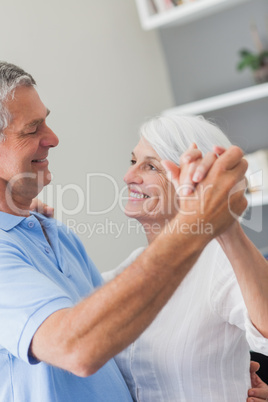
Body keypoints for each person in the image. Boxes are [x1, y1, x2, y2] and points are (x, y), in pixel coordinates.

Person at [0, 62, 249, 401]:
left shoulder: (58, 236)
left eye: (150, 165)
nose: (54, 138)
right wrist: (198, 221)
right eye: (32, 129)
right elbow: (78, 348)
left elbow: (115, 336)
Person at [102, 114, 268, 401]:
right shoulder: (120, 275)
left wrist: (223, 220)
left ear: (197, 182)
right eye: (133, 162)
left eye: (150, 166)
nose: (129, 177)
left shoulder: (218, 264)